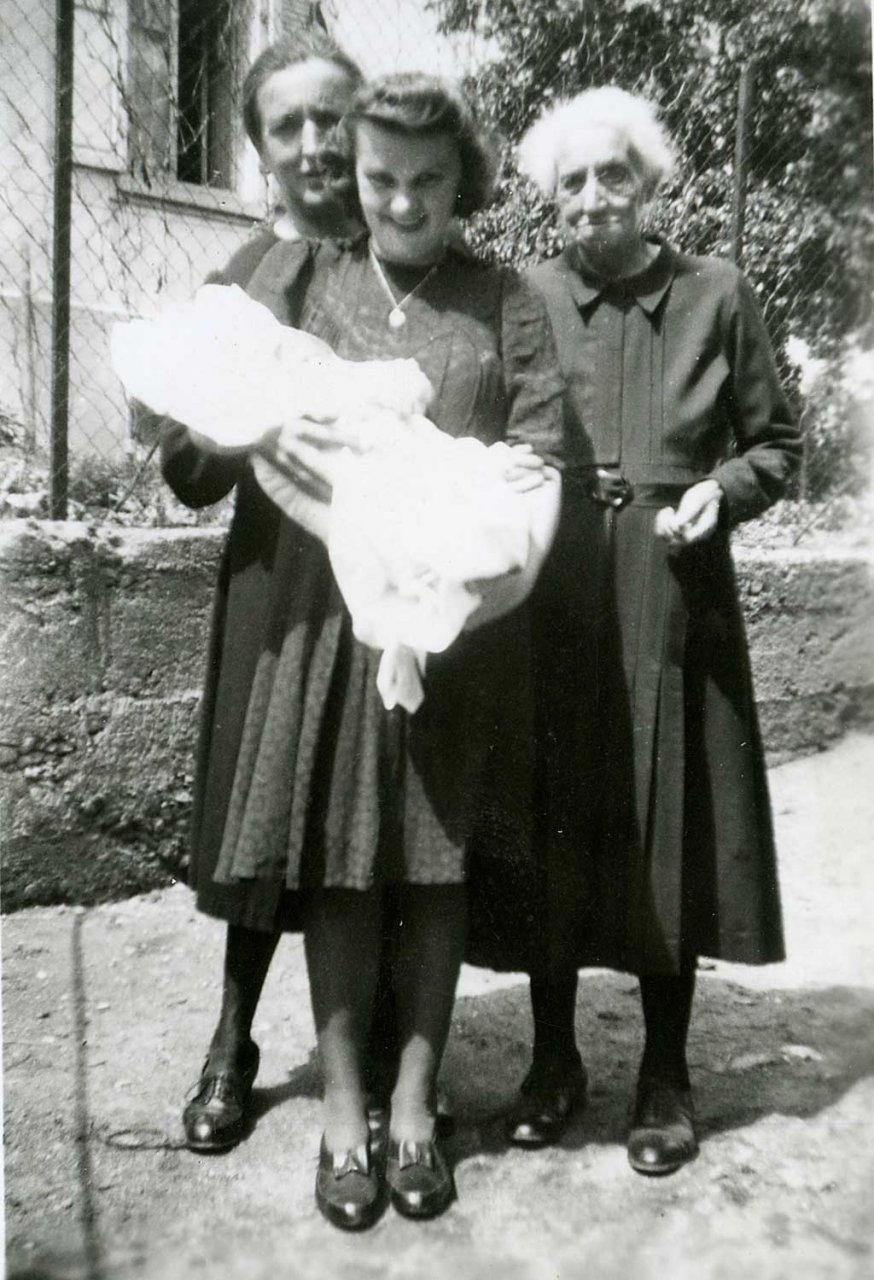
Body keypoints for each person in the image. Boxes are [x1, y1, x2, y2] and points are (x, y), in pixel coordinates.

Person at [163, 71, 564, 1228]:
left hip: (455, 624)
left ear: (462, 182)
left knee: (432, 866)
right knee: (338, 865)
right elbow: (214, 405)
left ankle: (415, 1105)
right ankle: (345, 1112)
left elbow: (539, 456)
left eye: (427, 180)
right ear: (356, 170)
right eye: (380, 177)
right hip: (329, 623)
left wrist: (481, 572)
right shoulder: (303, 277)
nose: (400, 201)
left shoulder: (505, 299)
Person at [503, 86, 801, 1174]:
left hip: (676, 586)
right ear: (551, 197)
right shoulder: (529, 295)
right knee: (553, 814)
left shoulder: (716, 292)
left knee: (671, 819)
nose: (592, 197)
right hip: (556, 585)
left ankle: (665, 1073)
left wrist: (720, 487)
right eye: (571, 181)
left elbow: (776, 443)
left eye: (612, 173)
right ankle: (553, 1060)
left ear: (649, 181)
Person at [159, 33, 369, 1157]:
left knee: (374, 809)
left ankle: (374, 1048)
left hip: (390, 571)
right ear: (258, 149)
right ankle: (231, 1039)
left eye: (332, 117)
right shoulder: (237, 282)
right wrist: (231, 419)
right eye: (287, 125)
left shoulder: (411, 257)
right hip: (276, 578)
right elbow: (187, 474)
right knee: (261, 805)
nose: (314, 143)